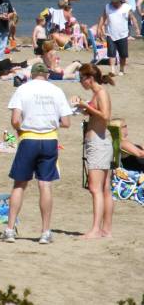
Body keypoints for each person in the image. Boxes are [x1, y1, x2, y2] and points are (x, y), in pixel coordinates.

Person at [2, 62, 72, 244]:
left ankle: (9, 230)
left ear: (32, 75)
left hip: (29, 138)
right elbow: (66, 122)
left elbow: (15, 119)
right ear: (47, 75)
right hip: (50, 139)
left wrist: (20, 129)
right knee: (45, 184)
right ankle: (45, 231)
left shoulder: (23, 90)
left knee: (19, 184)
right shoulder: (56, 91)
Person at [72, 63, 115, 239]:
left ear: (89, 79)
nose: (80, 82)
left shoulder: (101, 93)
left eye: (81, 79)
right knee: (104, 188)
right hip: (99, 143)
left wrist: (86, 106)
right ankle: (106, 230)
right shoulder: (97, 94)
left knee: (95, 188)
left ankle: (97, 229)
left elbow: (105, 116)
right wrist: (82, 106)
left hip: (99, 143)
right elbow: (95, 113)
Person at [97, 0, 138, 75]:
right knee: (111, 53)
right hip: (110, 34)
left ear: (120, 0)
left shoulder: (126, 7)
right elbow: (103, 18)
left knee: (123, 54)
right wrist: (99, 28)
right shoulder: (108, 7)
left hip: (123, 34)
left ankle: (121, 69)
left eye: (115, 1)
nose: (114, 3)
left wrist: (136, 28)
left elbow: (133, 18)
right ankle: (112, 70)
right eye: (113, 1)